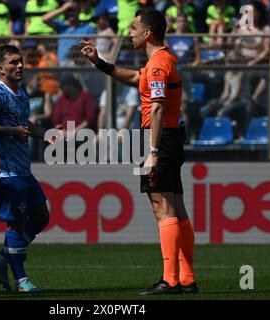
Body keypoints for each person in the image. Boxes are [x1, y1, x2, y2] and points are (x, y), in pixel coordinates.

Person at [81, 9, 197, 295]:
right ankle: (186, 278)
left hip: (159, 139)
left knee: (161, 206)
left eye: (133, 27)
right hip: (171, 137)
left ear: (147, 33)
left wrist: (153, 150)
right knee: (177, 207)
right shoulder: (163, 60)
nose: (129, 32)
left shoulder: (158, 64)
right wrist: (100, 63)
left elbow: (156, 107)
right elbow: (135, 78)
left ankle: (170, 280)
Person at [0, 45, 51, 293]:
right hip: (6, 171)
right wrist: (11, 132)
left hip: (23, 169)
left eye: (20, 62)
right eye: (13, 63)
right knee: (16, 224)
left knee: (41, 215)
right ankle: (21, 280)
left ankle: (2, 258)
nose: (20, 66)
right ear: (0, 68)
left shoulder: (20, 92)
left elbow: (24, 123)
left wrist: (45, 134)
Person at [41, 0, 96, 66]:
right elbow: (44, 19)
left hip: (79, 66)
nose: (71, 13)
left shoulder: (88, 27)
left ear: (79, 11)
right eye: (69, 10)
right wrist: (64, 8)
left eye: (73, 10)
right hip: (62, 65)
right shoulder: (61, 26)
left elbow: (93, 46)